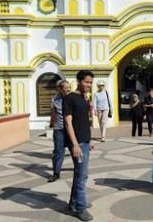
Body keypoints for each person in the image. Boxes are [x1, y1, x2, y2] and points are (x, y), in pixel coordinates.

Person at [63, 70, 96, 221]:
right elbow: (68, 122)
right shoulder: (69, 98)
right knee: (82, 175)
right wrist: (75, 144)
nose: (89, 85)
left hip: (84, 141)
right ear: (78, 81)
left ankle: (74, 202)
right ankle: (80, 208)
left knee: (80, 174)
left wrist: (89, 140)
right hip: (77, 143)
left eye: (90, 82)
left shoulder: (84, 98)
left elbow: (83, 122)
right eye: (86, 82)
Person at [48, 78, 71, 182]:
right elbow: (53, 111)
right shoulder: (54, 99)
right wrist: (51, 122)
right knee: (58, 151)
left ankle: (80, 168)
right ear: (60, 89)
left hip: (71, 128)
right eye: (66, 88)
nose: (68, 90)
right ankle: (56, 173)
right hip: (59, 128)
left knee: (75, 149)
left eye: (69, 88)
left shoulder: (72, 98)